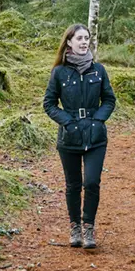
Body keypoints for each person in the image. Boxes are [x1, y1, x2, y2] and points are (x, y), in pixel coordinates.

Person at [43, 24, 116, 249]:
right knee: (73, 184)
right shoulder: (59, 72)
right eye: (79, 39)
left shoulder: (99, 70)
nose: (84, 42)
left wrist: (97, 120)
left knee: (92, 182)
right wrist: (68, 122)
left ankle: (89, 227)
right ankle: (74, 226)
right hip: (70, 137)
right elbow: (49, 104)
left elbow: (109, 100)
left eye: (87, 38)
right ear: (69, 43)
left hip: (95, 137)